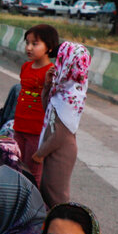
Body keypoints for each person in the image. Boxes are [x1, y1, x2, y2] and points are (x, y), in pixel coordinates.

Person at [32, 42, 90, 207]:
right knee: (46, 193)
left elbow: (61, 133)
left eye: (61, 59)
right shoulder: (62, 87)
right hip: (51, 148)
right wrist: (47, 85)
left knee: (56, 197)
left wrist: (39, 154)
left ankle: (64, 230)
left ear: (68, 61)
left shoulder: (73, 94)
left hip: (60, 151)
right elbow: (48, 112)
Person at [14, 24, 59, 186]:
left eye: (35, 44)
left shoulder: (51, 71)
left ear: (50, 47)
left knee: (32, 171)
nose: (29, 48)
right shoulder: (26, 67)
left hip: (36, 131)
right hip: (19, 126)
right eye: (27, 43)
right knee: (17, 166)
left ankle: (33, 205)